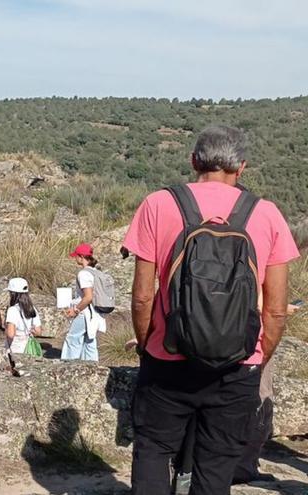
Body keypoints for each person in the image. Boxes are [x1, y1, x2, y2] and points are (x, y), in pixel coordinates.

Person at [123, 125, 299, 494]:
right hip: (237, 367)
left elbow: (141, 296)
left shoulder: (159, 204)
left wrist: (148, 346)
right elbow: (277, 310)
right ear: (242, 167)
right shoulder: (267, 214)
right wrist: (256, 359)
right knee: (216, 466)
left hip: (167, 359)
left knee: (154, 452)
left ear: (193, 161)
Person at [60, 243, 104, 362]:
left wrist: (75, 310)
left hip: (84, 313)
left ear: (81, 257)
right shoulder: (95, 271)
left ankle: (67, 366)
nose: (75, 258)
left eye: (76, 256)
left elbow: (88, 297)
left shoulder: (83, 274)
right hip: (94, 313)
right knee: (89, 341)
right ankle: (91, 367)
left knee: (73, 339)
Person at [4, 277, 43, 377]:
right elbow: (38, 331)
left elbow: (11, 334)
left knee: (17, 373)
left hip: (15, 347)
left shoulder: (12, 310)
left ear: (13, 294)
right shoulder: (32, 308)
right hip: (28, 344)